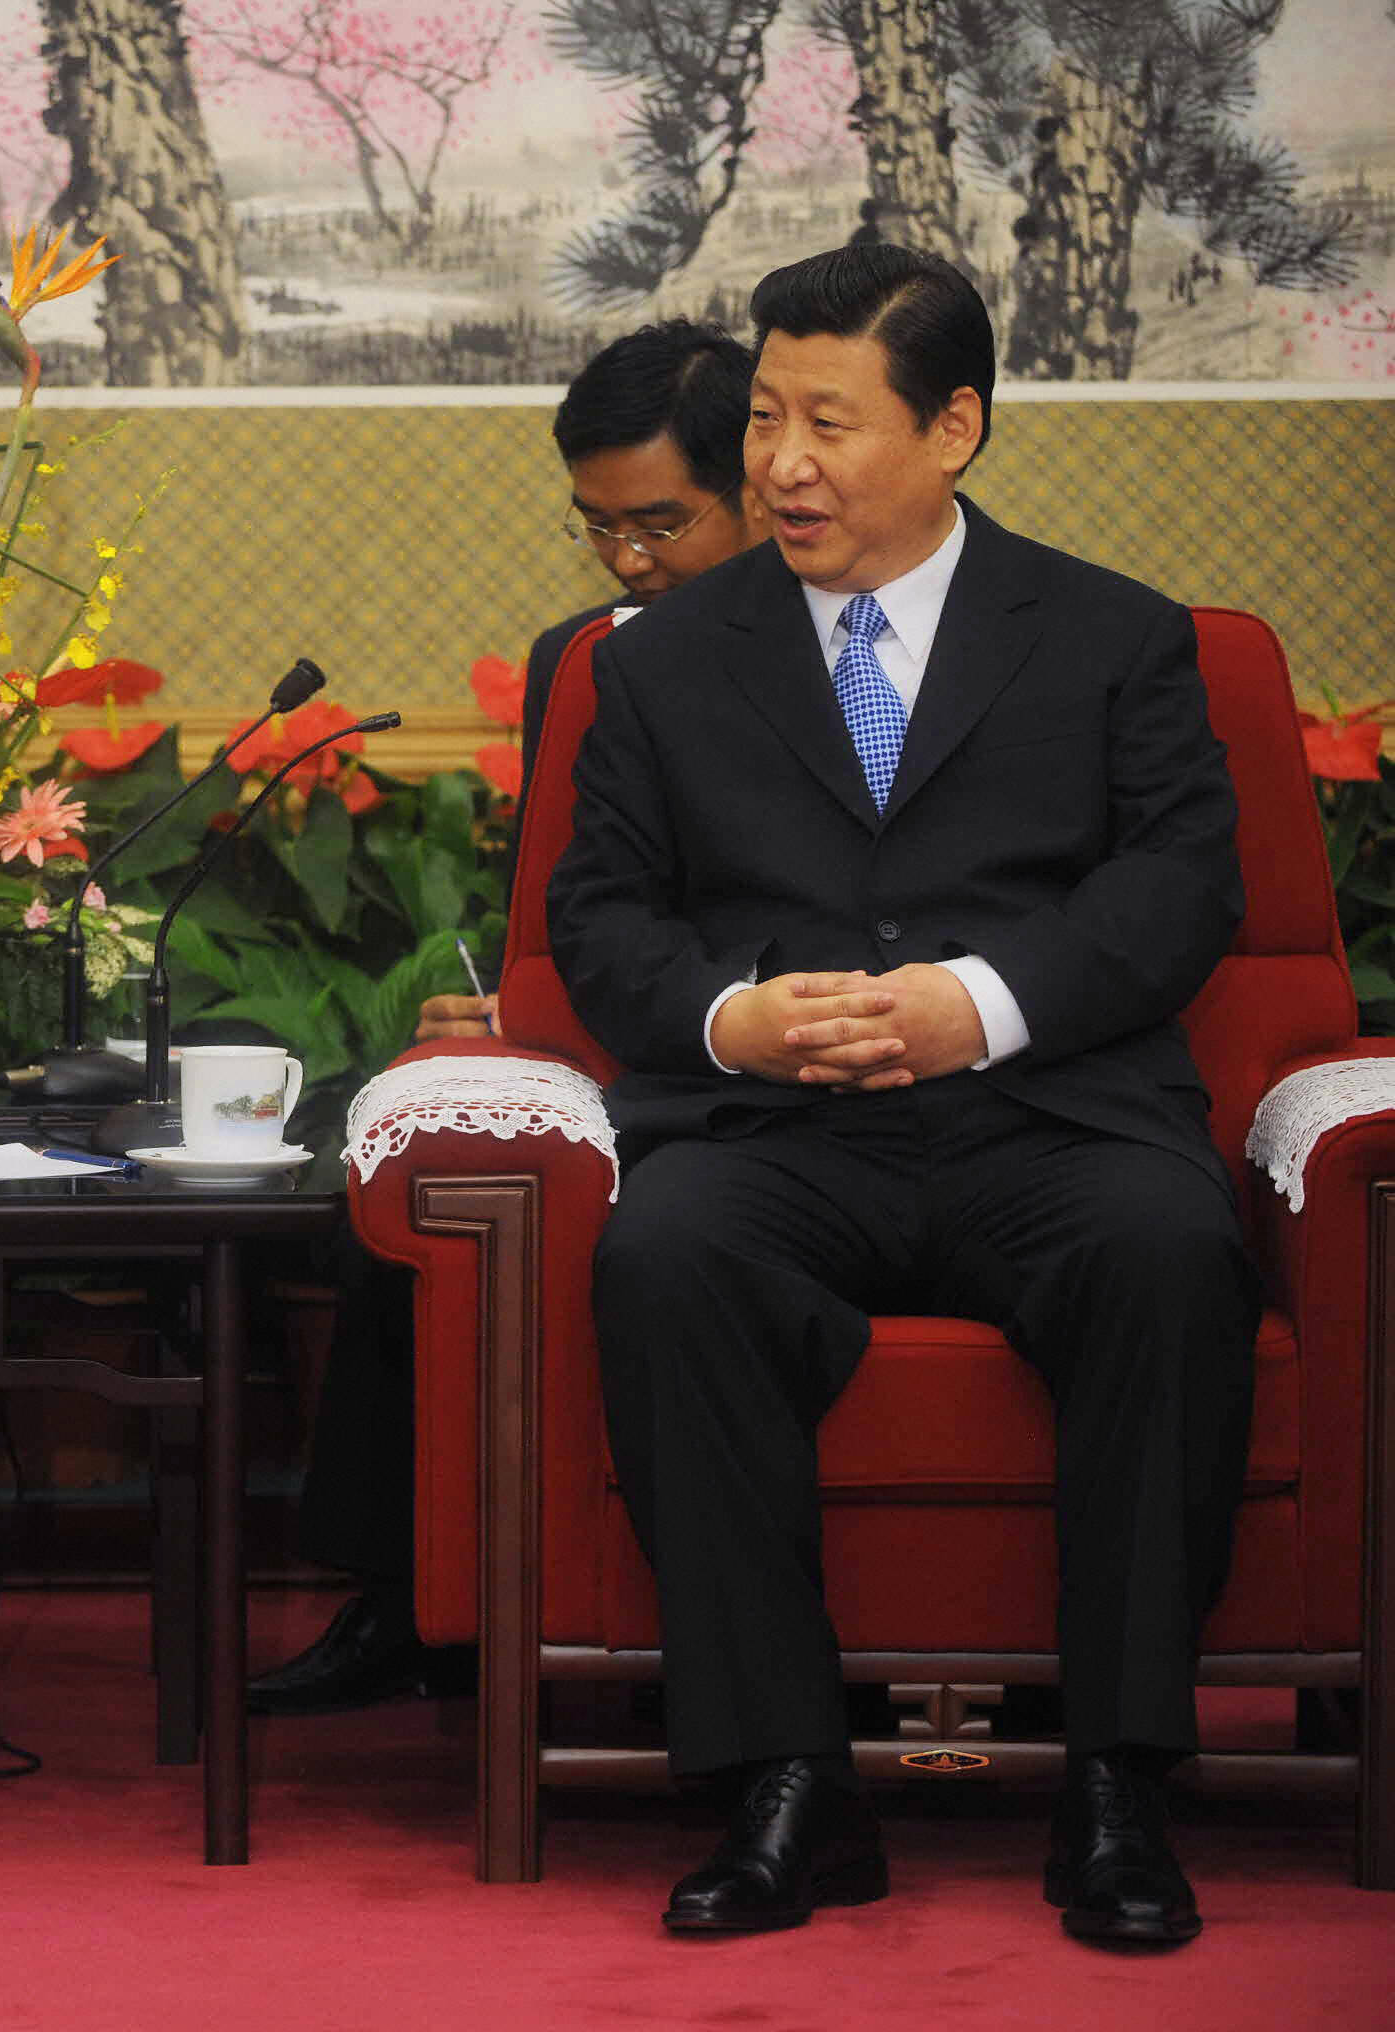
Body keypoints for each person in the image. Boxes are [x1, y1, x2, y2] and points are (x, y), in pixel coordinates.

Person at [548, 243, 1252, 1945]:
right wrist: (737, 1022)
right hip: (781, 1134)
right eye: (769, 418)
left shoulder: (1114, 636)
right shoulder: (657, 659)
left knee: (1171, 1246)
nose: (782, 462)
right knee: (668, 1257)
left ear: (953, 428)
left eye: (830, 423)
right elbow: (604, 916)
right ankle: (788, 1784)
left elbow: (1181, 887)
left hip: (1046, 1122)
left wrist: (976, 1006)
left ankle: (1116, 1785)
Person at [249, 322, 768, 1718]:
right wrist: (513, 1005)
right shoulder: (582, 657)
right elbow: (583, 894)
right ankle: (411, 1604)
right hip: (608, 1033)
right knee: (411, 1167)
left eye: (662, 523)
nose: (628, 562)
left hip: (762, 1060)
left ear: (762, 482)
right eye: (597, 528)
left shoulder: (844, 643)